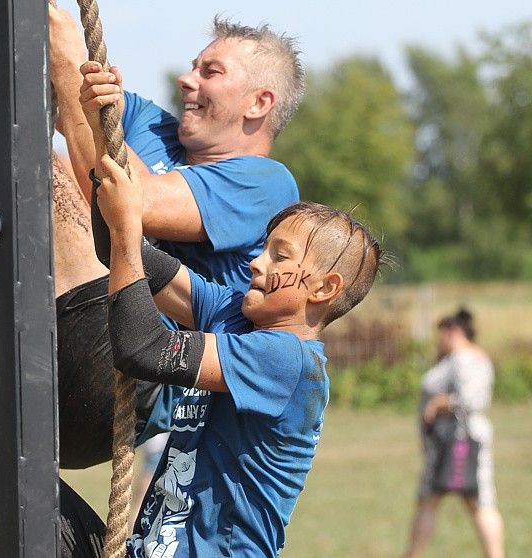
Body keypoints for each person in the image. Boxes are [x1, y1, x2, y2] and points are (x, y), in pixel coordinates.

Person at [59, 152, 384, 557]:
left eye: (279, 255)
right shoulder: (232, 314)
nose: (256, 263)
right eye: (263, 249)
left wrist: (128, 226)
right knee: (12, 479)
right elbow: (119, 251)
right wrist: (101, 141)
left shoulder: (289, 362)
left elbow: (143, 349)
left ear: (324, 288)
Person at [49, 8, 305, 468]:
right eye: (193, 67)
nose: (187, 80)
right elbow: (56, 96)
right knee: (6, 143)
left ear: (258, 103)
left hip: (126, 376)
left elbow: (130, 204)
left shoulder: (266, 183)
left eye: (211, 72)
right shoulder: (151, 125)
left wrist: (65, 46)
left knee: (44, 170)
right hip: (62, 333)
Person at [404, 310, 505, 558]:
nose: (438, 341)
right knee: (443, 500)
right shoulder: (467, 357)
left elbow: (471, 400)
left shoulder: (464, 358)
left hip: (459, 440)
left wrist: (438, 403)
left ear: (453, 332)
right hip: (451, 441)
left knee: (477, 501)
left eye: (441, 335)